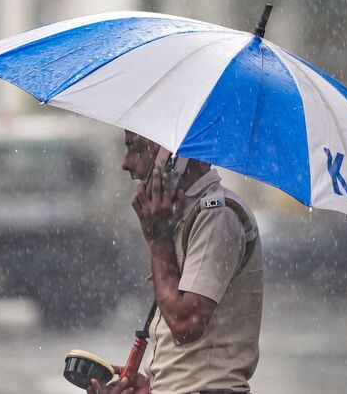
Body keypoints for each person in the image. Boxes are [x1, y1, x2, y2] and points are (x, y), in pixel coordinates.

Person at [89, 131, 263, 394]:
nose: (126, 163)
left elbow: (186, 323)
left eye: (135, 148)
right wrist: (152, 388)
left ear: (170, 158)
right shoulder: (182, 215)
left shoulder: (219, 216)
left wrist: (158, 241)